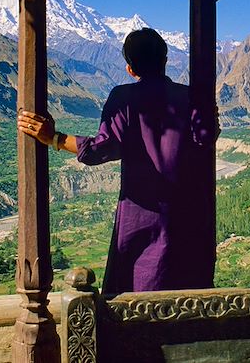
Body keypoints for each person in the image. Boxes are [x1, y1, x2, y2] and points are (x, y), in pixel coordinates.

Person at [18, 28, 218, 294]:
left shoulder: (124, 98)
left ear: (130, 68)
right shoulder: (191, 95)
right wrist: (209, 111)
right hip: (188, 215)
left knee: (136, 290)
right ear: (166, 59)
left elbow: (102, 149)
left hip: (141, 219)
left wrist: (53, 137)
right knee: (189, 292)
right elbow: (206, 136)